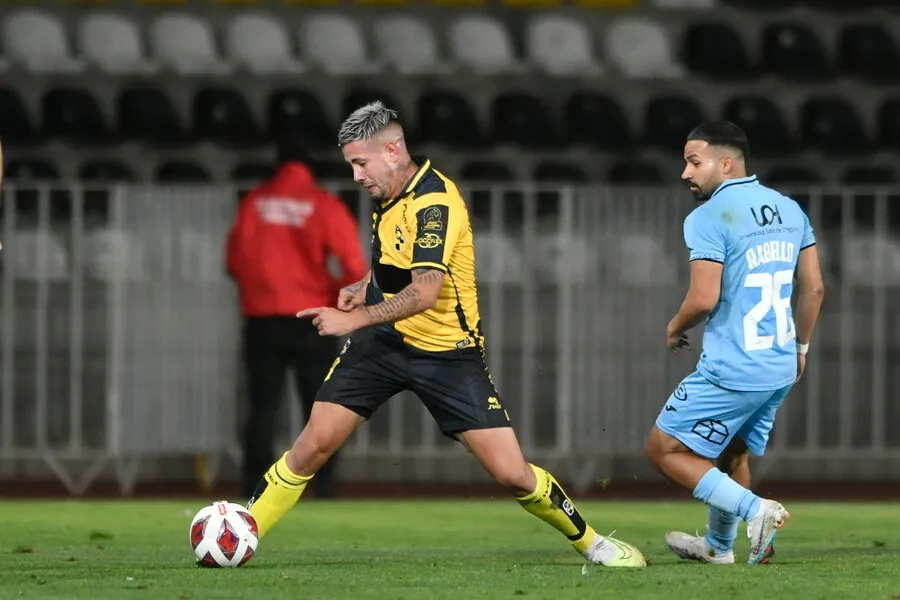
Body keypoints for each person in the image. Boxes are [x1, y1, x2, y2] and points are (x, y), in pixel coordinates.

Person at [245, 101, 646, 568]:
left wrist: (355, 318)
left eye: (359, 163)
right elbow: (397, 264)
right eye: (350, 165)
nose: (355, 176)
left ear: (392, 151)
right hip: (383, 345)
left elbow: (426, 291)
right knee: (311, 446)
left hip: (448, 355)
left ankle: (595, 544)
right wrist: (364, 287)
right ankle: (241, 533)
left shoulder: (436, 201)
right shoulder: (387, 194)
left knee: (513, 475)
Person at [644, 121, 825, 565]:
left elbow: (703, 299)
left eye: (694, 161)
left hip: (735, 367)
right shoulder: (788, 208)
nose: (685, 173)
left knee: (664, 449)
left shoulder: (709, 216)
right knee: (732, 450)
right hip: (780, 363)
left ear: (726, 163)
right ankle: (719, 547)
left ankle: (755, 510)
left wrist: (674, 326)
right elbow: (815, 289)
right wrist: (801, 348)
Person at [227, 138, 368, 499]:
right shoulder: (324, 206)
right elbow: (353, 267)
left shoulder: (254, 203)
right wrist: (338, 294)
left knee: (263, 407)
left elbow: (233, 262)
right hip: (313, 319)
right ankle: (323, 487)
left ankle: (254, 489)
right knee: (322, 409)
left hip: (262, 319)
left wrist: (262, 292)